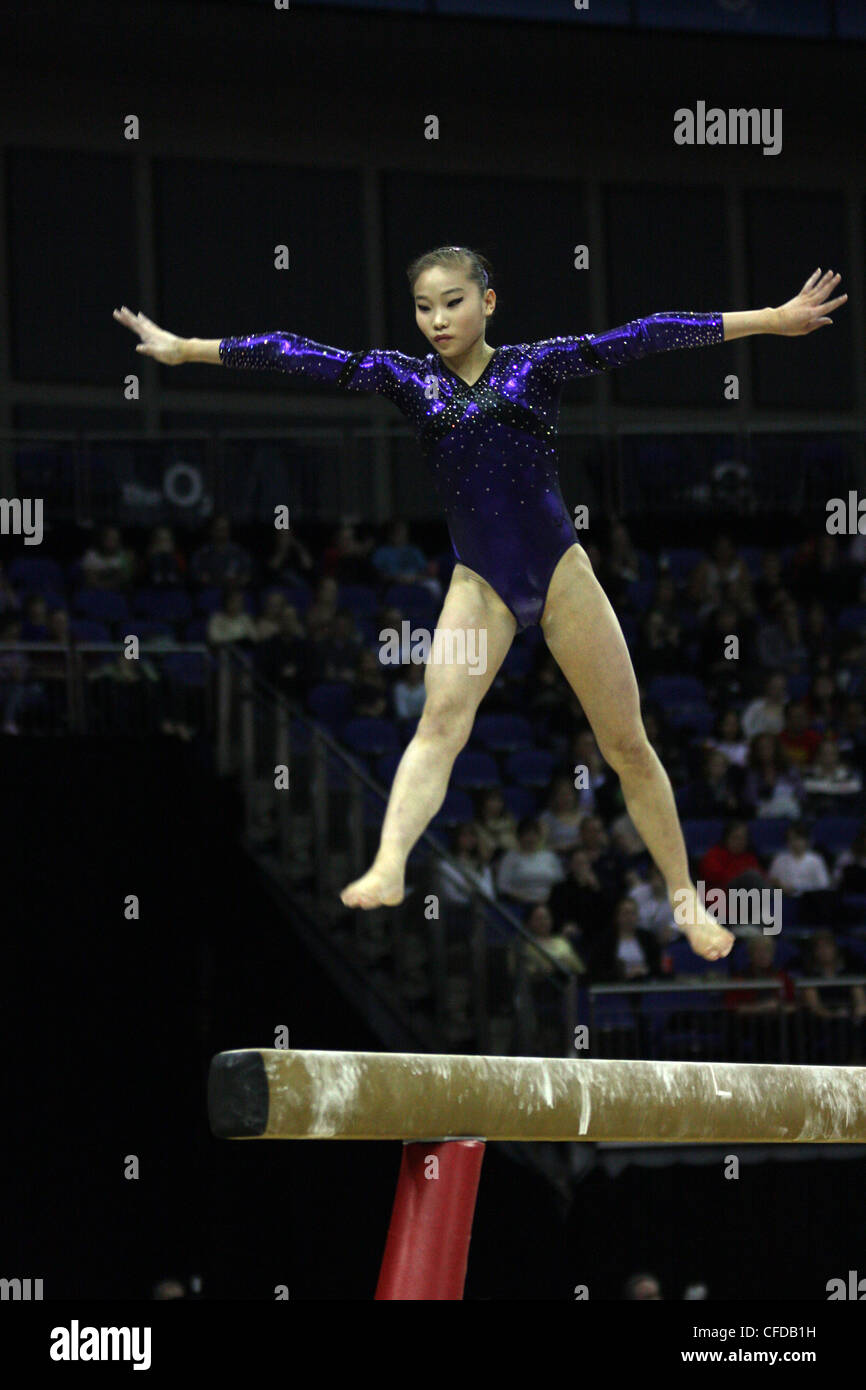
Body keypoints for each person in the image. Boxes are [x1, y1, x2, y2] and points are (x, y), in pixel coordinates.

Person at [115, 260, 847, 962]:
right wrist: (188, 350)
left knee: (626, 744)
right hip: (481, 584)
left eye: (454, 302)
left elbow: (649, 332)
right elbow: (294, 353)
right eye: (424, 306)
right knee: (440, 724)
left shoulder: (539, 364)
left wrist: (772, 320)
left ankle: (685, 897)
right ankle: (390, 863)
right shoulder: (405, 379)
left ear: (488, 302)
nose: (438, 319)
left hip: (561, 574)